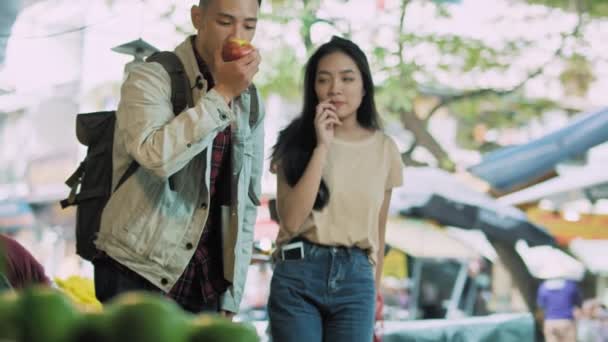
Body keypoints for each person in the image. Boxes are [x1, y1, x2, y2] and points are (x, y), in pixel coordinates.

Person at [93, 0, 264, 316]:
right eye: (225, 22)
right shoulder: (151, 77)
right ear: (197, 18)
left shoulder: (251, 100)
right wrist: (223, 92)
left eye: (249, 26)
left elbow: (247, 199)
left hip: (206, 281)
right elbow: (155, 157)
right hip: (136, 268)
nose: (237, 36)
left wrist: (232, 294)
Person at [267, 36, 403, 341]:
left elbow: (378, 233)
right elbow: (290, 220)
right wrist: (322, 148)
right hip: (298, 273)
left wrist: (375, 292)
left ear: (364, 86)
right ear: (313, 88)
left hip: (356, 281)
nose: (335, 89)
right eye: (324, 79)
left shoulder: (385, 149)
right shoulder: (295, 141)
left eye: (347, 78)